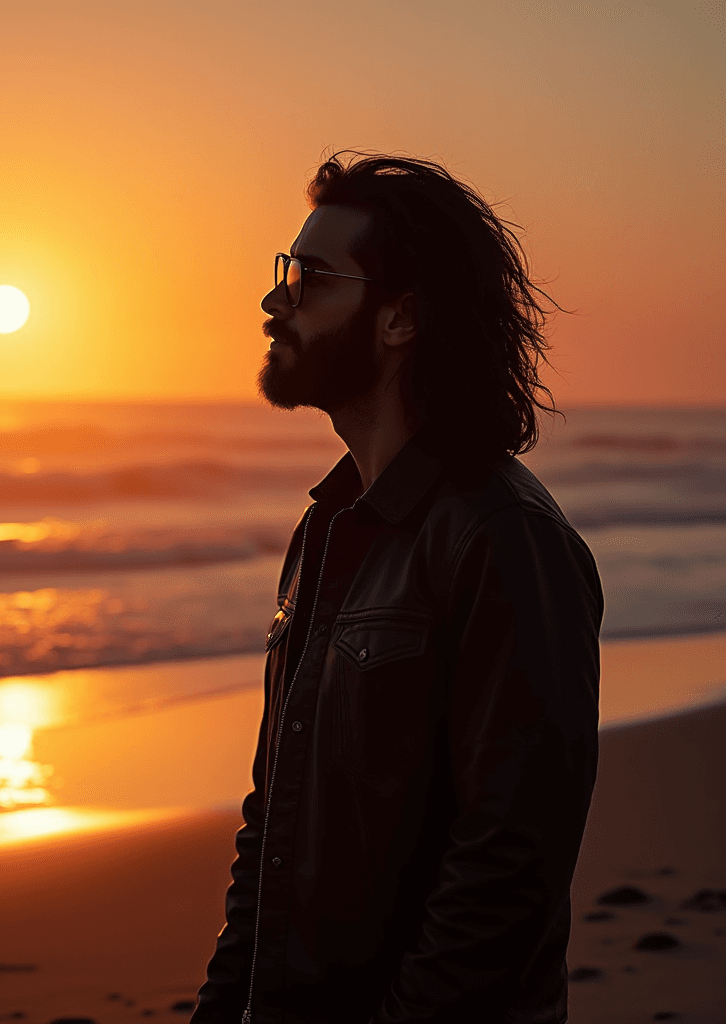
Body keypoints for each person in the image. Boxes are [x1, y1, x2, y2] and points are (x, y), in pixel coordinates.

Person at [189, 152, 603, 1024]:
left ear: (401, 318)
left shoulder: (504, 538)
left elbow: (507, 869)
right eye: (283, 274)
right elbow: (274, 823)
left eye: (308, 278)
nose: (276, 302)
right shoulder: (330, 526)